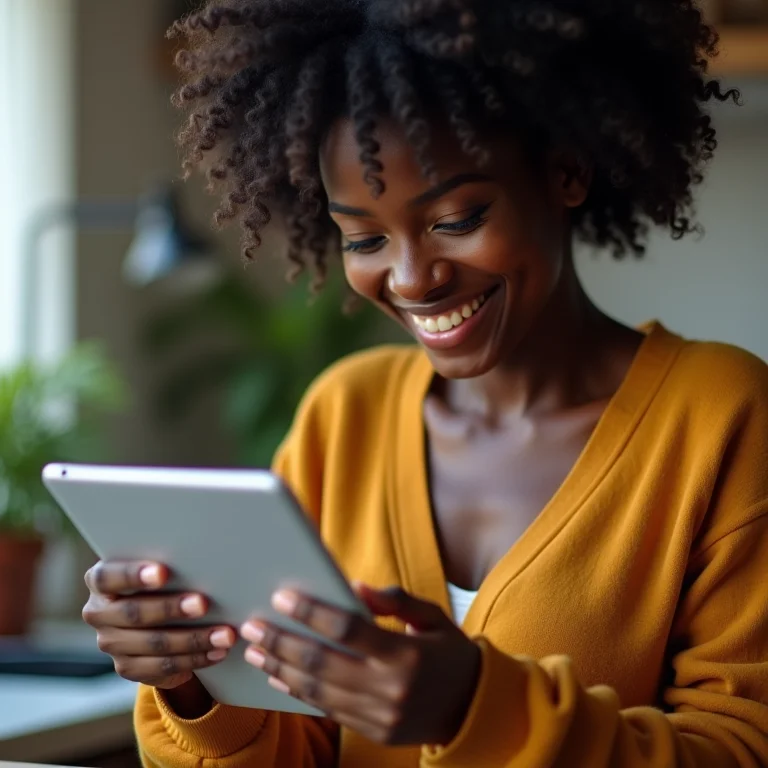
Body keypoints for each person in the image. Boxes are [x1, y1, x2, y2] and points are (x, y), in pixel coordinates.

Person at [81, 1, 768, 766]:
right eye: (366, 238)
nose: (413, 278)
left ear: (567, 170)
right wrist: (192, 679)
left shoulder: (721, 416)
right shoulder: (344, 417)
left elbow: (744, 748)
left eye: (457, 217)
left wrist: (474, 707)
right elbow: (293, 746)